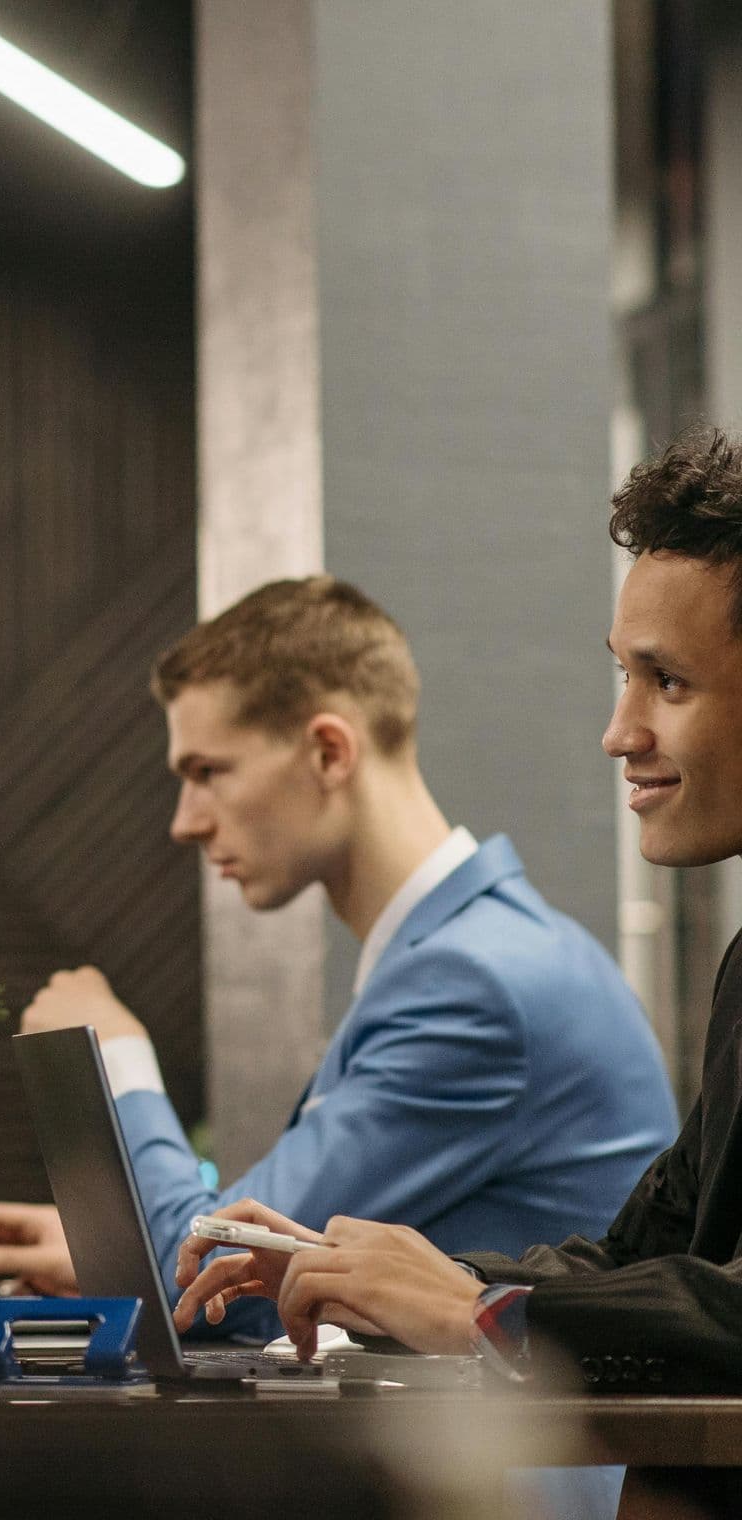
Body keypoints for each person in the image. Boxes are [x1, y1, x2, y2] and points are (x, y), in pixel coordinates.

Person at [170, 431, 742, 1515]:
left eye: (664, 679)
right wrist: (418, 1278)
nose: (617, 731)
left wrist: (471, 1311)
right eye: (621, 675)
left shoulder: (478, 981)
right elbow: (642, 1255)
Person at [0, 575, 677, 1344]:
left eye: (209, 772)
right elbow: (267, 1263)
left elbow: (199, 1279)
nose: (185, 823)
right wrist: (101, 1252)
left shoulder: (477, 986)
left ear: (330, 751)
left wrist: (118, 1060)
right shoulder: (474, 954)